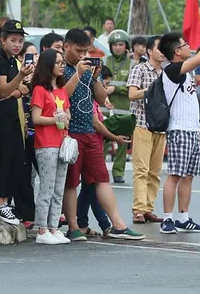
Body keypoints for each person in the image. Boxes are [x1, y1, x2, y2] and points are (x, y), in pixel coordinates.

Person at [60, 28, 143, 241]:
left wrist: (95, 78)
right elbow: (63, 96)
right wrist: (78, 73)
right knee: (71, 182)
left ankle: (118, 225)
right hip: (70, 134)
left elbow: (99, 97)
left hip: (90, 131)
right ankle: (73, 226)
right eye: (79, 51)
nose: (82, 55)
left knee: (101, 179)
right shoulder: (60, 69)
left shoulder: (87, 69)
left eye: (86, 51)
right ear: (66, 46)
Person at [158, 29, 200, 235]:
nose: (188, 47)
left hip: (192, 129)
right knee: (174, 175)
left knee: (188, 175)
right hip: (179, 128)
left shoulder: (185, 70)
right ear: (177, 51)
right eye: (185, 45)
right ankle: (167, 219)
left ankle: (183, 217)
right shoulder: (173, 69)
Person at [0, 20, 33, 225]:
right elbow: (4, 90)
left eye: (20, 41)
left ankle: (6, 201)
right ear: (2, 40)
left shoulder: (13, 60)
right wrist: (19, 83)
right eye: (13, 40)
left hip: (13, 115)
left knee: (15, 159)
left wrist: (17, 88)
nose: (17, 44)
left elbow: (18, 90)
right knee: (2, 159)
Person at [30, 49, 71, 245]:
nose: (62, 65)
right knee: (46, 187)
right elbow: (36, 118)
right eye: (58, 62)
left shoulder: (61, 89)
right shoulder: (39, 89)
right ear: (48, 66)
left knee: (59, 188)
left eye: (63, 62)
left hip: (62, 142)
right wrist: (55, 119)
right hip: (46, 143)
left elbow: (68, 115)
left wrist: (64, 117)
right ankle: (42, 228)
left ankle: (54, 227)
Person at [125, 36, 165, 224]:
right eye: (159, 48)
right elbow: (132, 94)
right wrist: (152, 89)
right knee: (141, 169)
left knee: (155, 170)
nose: (163, 51)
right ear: (149, 51)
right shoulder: (139, 69)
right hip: (142, 123)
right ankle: (139, 209)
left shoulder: (166, 73)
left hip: (161, 126)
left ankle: (149, 208)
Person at [103, 29, 134, 183]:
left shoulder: (132, 64)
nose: (118, 47)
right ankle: (99, 170)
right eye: (114, 45)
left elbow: (133, 86)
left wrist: (117, 88)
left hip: (124, 108)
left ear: (126, 46)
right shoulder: (105, 61)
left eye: (121, 44)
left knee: (122, 141)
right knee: (103, 139)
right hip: (106, 108)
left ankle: (118, 172)